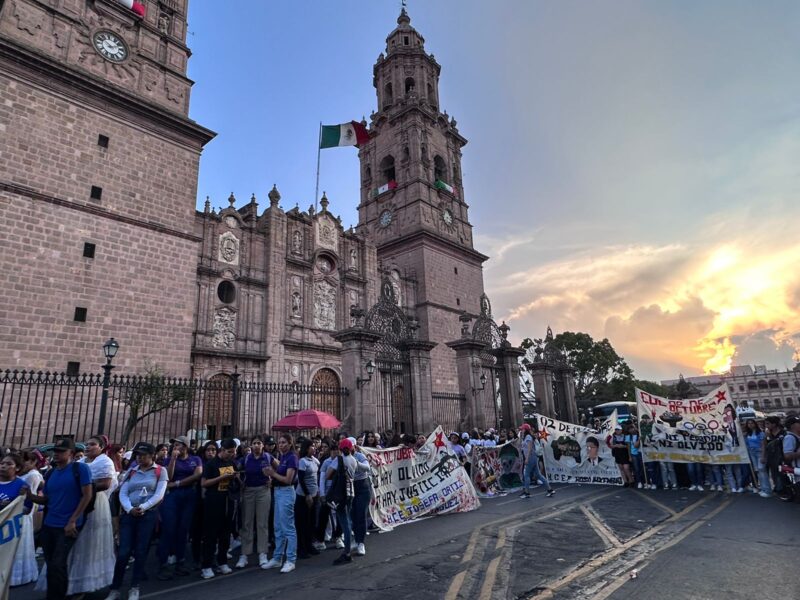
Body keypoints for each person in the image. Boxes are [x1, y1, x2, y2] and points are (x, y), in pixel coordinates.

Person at [27, 438, 92, 600]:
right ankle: (54, 595)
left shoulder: (80, 469)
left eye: (61, 451)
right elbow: (46, 499)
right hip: (49, 525)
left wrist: (73, 520)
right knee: (51, 564)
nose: (56, 454)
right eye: (55, 451)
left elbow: (87, 495)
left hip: (68, 525)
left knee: (57, 564)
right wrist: (29, 495)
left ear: (71, 453)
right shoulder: (51, 472)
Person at [106, 442, 168, 600]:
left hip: (148, 515)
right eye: (138, 455)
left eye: (144, 455)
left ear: (152, 456)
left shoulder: (160, 471)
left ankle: (135, 586)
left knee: (141, 551)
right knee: (124, 552)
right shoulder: (132, 472)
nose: (140, 458)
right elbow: (123, 492)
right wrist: (129, 508)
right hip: (129, 514)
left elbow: (159, 494)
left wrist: (144, 507)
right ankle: (115, 587)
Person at [64, 435, 117, 595]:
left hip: (95, 503)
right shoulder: (80, 463)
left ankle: (84, 584)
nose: (88, 447)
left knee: (89, 540)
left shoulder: (105, 462)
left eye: (92, 444)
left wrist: (85, 487)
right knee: (76, 541)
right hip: (78, 501)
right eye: (86, 444)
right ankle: (70, 581)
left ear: (101, 447)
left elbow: (106, 483)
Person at [157, 435, 203, 579]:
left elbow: (198, 475)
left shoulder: (195, 460)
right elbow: (168, 477)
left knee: (183, 529)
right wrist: (173, 460)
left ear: (186, 446)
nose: (176, 447)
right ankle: (163, 564)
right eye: (175, 444)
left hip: (188, 495)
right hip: (172, 496)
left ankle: (180, 562)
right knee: (169, 528)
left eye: (179, 444)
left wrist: (178, 483)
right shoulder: (168, 460)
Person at [199, 438, 238, 579]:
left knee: (225, 534)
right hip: (213, 501)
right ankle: (207, 565)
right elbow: (204, 483)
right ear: (222, 450)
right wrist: (221, 478)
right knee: (210, 535)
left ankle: (222, 561)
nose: (232, 454)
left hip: (228, 501)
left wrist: (235, 478)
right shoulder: (211, 464)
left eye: (234, 452)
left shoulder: (232, 463)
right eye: (229, 452)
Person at [262, 433, 299, 573]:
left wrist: (273, 474)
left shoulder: (292, 458)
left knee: (288, 527)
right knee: (278, 527)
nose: (281, 444)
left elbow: (288, 479)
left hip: (286, 493)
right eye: (280, 442)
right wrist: (272, 478)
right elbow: (279, 476)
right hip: (278, 492)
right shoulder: (282, 457)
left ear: (290, 444)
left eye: (284, 442)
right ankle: (277, 558)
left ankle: (291, 560)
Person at [236, 435, 273, 569]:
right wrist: (241, 483)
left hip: (263, 490)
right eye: (254, 443)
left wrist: (272, 478)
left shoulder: (268, 457)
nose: (257, 445)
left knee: (262, 522)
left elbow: (279, 468)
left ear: (263, 445)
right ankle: (244, 554)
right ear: (251, 446)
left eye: (259, 443)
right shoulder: (246, 458)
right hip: (249, 490)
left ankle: (262, 552)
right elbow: (235, 469)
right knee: (247, 522)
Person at [1, 454, 32, 587]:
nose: (3, 466)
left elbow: (27, 508)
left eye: (9, 464)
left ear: (17, 468)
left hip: (8, 528)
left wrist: (11, 505)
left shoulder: (21, 485)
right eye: (2, 463)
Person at [13, 451, 41, 586]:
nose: (25, 464)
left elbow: (30, 493)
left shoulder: (33, 475)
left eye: (28, 461)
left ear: (34, 462)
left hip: (24, 507)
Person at [328, 438, 356, 565]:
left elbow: (328, 474)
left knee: (344, 522)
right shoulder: (353, 460)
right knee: (347, 520)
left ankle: (347, 552)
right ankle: (348, 549)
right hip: (351, 492)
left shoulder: (339, 460)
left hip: (341, 494)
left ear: (340, 448)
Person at [190, 441, 218, 568]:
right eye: (208, 450)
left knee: (210, 532)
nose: (211, 452)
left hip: (212, 501)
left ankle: (209, 557)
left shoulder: (218, 464)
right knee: (197, 531)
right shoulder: (200, 463)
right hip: (198, 501)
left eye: (213, 450)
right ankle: (196, 558)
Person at [295, 438, 320, 559]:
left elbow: (318, 473)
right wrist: (307, 495)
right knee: (303, 522)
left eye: (315, 446)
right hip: (304, 496)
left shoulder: (314, 460)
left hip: (314, 494)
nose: (314, 448)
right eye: (312, 446)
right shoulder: (302, 462)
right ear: (306, 448)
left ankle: (309, 545)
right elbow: (301, 479)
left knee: (311, 521)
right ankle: (301, 548)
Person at [349, 436, 372, 557]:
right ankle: (355, 539)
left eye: (350, 447)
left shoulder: (360, 456)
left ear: (354, 447)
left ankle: (361, 543)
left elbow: (367, 467)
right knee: (352, 515)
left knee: (361, 514)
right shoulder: (343, 458)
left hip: (362, 487)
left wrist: (356, 463)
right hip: (350, 488)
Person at [519, 423, 554, 498]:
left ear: (525, 430)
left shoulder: (528, 437)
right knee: (538, 475)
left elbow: (529, 448)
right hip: (532, 457)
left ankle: (527, 492)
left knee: (527, 475)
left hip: (531, 457)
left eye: (522, 429)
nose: (521, 430)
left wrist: (527, 458)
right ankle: (549, 489)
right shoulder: (525, 437)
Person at [744, 419, 771, 498]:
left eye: (752, 423)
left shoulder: (761, 433)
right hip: (752, 453)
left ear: (755, 424)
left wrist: (763, 456)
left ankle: (767, 490)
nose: (750, 425)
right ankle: (763, 489)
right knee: (758, 471)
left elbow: (763, 445)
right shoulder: (747, 434)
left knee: (762, 470)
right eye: (748, 423)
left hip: (760, 453)